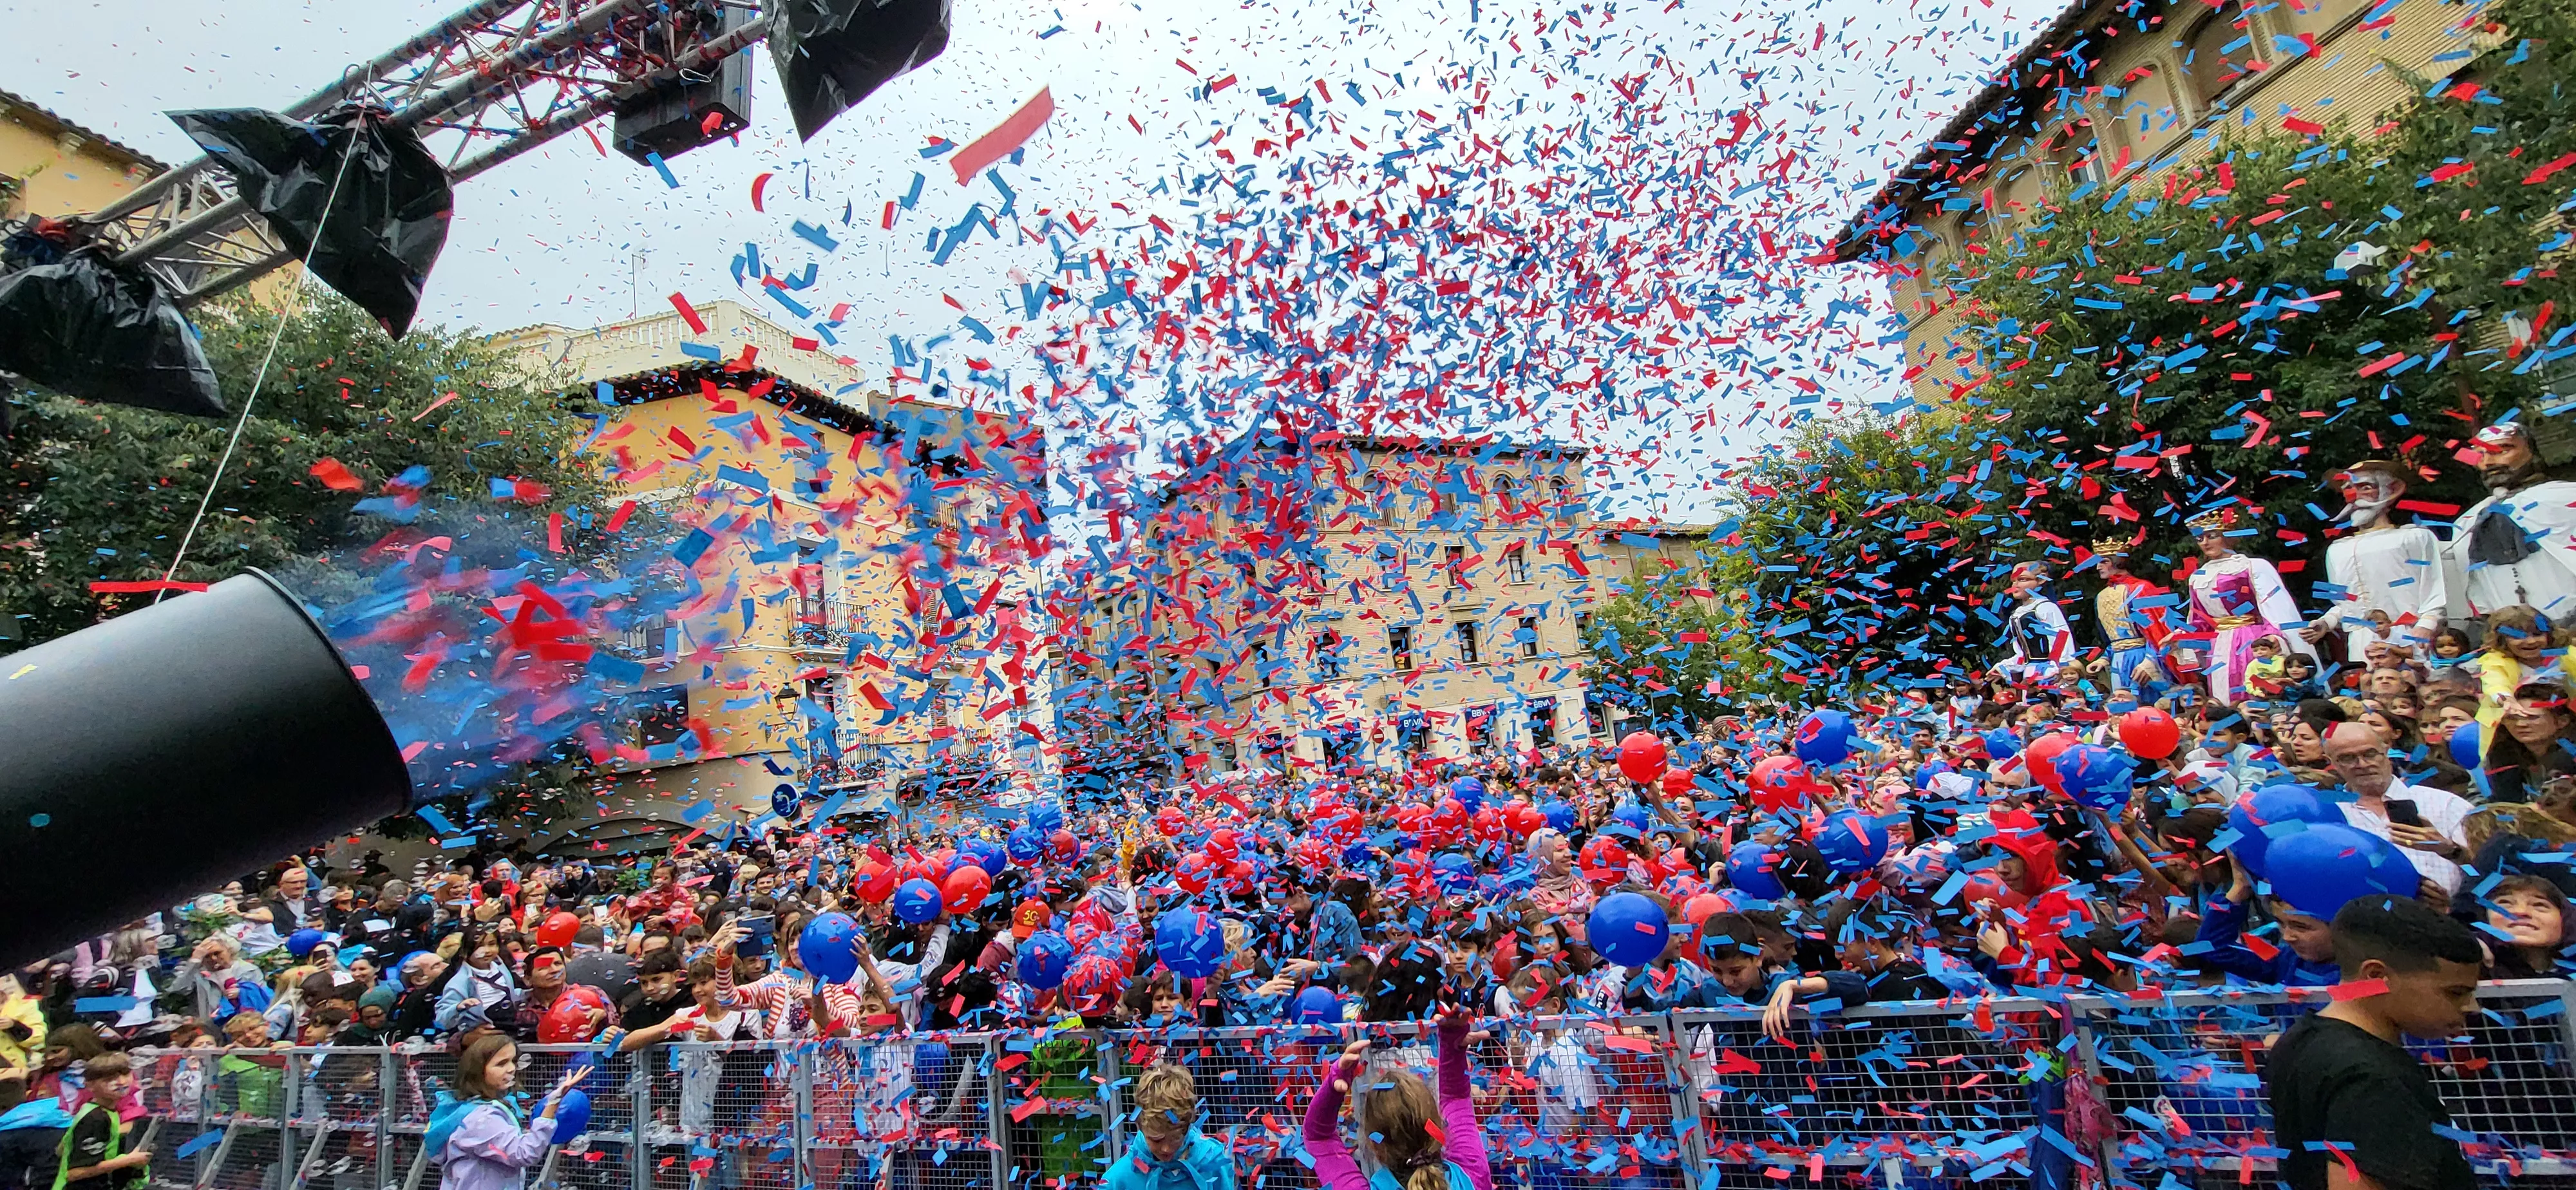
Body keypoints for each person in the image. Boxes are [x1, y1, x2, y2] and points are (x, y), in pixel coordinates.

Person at [2264, 894, 2482, 1190]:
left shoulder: (2300, 1039)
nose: (2471, 1007)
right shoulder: (2371, 1077)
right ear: (2376, 976)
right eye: (2455, 992)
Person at [1303, 1006, 1488, 1190]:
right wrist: (1452, 1045)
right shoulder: (1471, 1175)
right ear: (1437, 1125)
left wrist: (1334, 1084)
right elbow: (1456, 1099)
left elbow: (1319, 1137)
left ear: (1375, 1145)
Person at [2311, 460, 2450, 659]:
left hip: (2408, 636)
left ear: (2391, 490)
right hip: (2362, 641)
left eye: (2365, 487)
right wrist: (2326, 622)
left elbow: (2434, 590)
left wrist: (2426, 626)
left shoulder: (2413, 537)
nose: (2354, 496)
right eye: (2349, 489)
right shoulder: (2337, 550)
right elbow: (2346, 603)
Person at [2320, 723, 2471, 899]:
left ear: (2386, 751)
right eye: (2347, 758)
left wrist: (2450, 851)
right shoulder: (2329, 814)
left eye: (2370, 754)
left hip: (2448, 910)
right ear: (2331, 762)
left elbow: (2487, 870)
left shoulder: (2445, 804)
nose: (2362, 764)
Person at [2184, 507, 2318, 704]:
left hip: (2252, 639)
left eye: (2212, 536)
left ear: (2228, 536)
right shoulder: (2198, 576)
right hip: (2219, 645)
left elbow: (2274, 608)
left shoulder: (2252, 566)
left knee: (2256, 691)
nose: (2205, 543)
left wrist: (2274, 636)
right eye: (2199, 538)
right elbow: (2199, 618)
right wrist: (2185, 639)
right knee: (2224, 696)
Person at [428, 1032, 590, 1190]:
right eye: (501, 1064)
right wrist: (553, 1104)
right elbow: (524, 1153)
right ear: (479, 1071)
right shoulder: (481, 1118)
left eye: (513, 1061)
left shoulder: (477, 1110)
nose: (511, 1069)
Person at [2449, 421, 2576, 622]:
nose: (2488, 462)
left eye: (2502, 451)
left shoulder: (2567, 499)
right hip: (2512, 633)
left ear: (2532, 452)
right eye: (2481, 455)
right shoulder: (2469, 521)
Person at [1103, 1062, 1233, 1190]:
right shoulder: (1117, 1180)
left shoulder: (1214, 1163)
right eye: (1156, 1140)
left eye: (1175, 1138)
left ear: (1188, 1127)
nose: (1166, 1149)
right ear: (1140, 1126)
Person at [50, 1053, 146, 1190]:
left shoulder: (106, 1112)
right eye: (109, 1079)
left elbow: (62, 1150)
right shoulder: (96, 1118)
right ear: (90, 1086)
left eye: (126, 1074)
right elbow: (74, 1173)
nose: (121, 1082)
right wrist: (129, 1160)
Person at [1995, 563, 2072, 686]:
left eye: (2022, 580)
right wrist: (2003, 668)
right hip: (2030, 674)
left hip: (2052, 674)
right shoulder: (2017, 614)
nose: (2015, 585)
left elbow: (2062, 640)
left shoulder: (2046, 608)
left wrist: (2058, 669)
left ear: (2041, 580)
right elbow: (2022, 653)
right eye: (2013, 581)